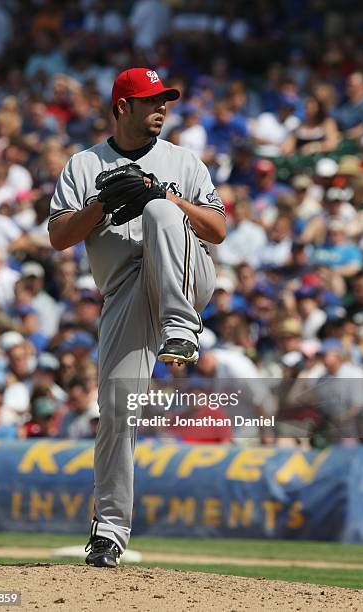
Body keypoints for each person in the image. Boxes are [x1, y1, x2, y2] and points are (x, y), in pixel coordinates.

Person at [49, 67, 225, 567]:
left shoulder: (182, 160)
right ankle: (109, 532)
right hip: (126, 292)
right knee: (117, 409)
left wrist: (161, 194)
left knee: (161, 212)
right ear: (122, 106)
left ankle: (181, 326)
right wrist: (103, 202)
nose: (162, 108)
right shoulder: (85, 165)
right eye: (150, 101)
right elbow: (59, 236)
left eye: (165, 100)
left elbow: (217, 228)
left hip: (187, 281)